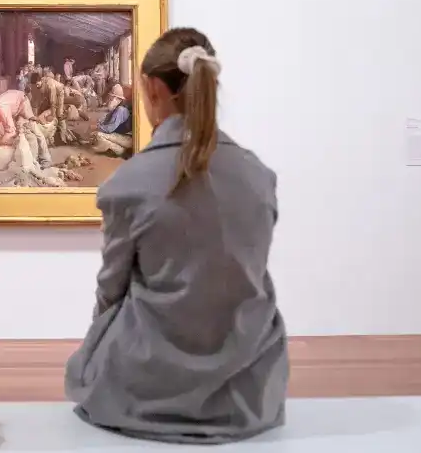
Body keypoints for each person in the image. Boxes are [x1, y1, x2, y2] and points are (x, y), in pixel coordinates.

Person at [65, 27, 286, 444]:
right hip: (249, 391)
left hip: (147, 389)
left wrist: (95, 351)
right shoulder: (259, 177)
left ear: (152, 89)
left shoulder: (128, 183)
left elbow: (110, 291)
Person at [0, 89, 51, 169]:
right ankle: (3, 161)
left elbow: (11, 132)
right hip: (9, 110)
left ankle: (46, 160)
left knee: (34, 130)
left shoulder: (0, 109)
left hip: (22, 103)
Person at [87, 84, 132, 157]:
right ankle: (116, 149)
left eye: (112, 98)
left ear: (118, 99)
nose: (109, 99)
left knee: (98, 135)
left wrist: (96, 127)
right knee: (94, 136)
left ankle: (121, 151)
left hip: (127, 139)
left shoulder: (120, 110)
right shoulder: (116, 109)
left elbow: (109, 129)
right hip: (122, 137)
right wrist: (98, 124)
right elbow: (103, 121)